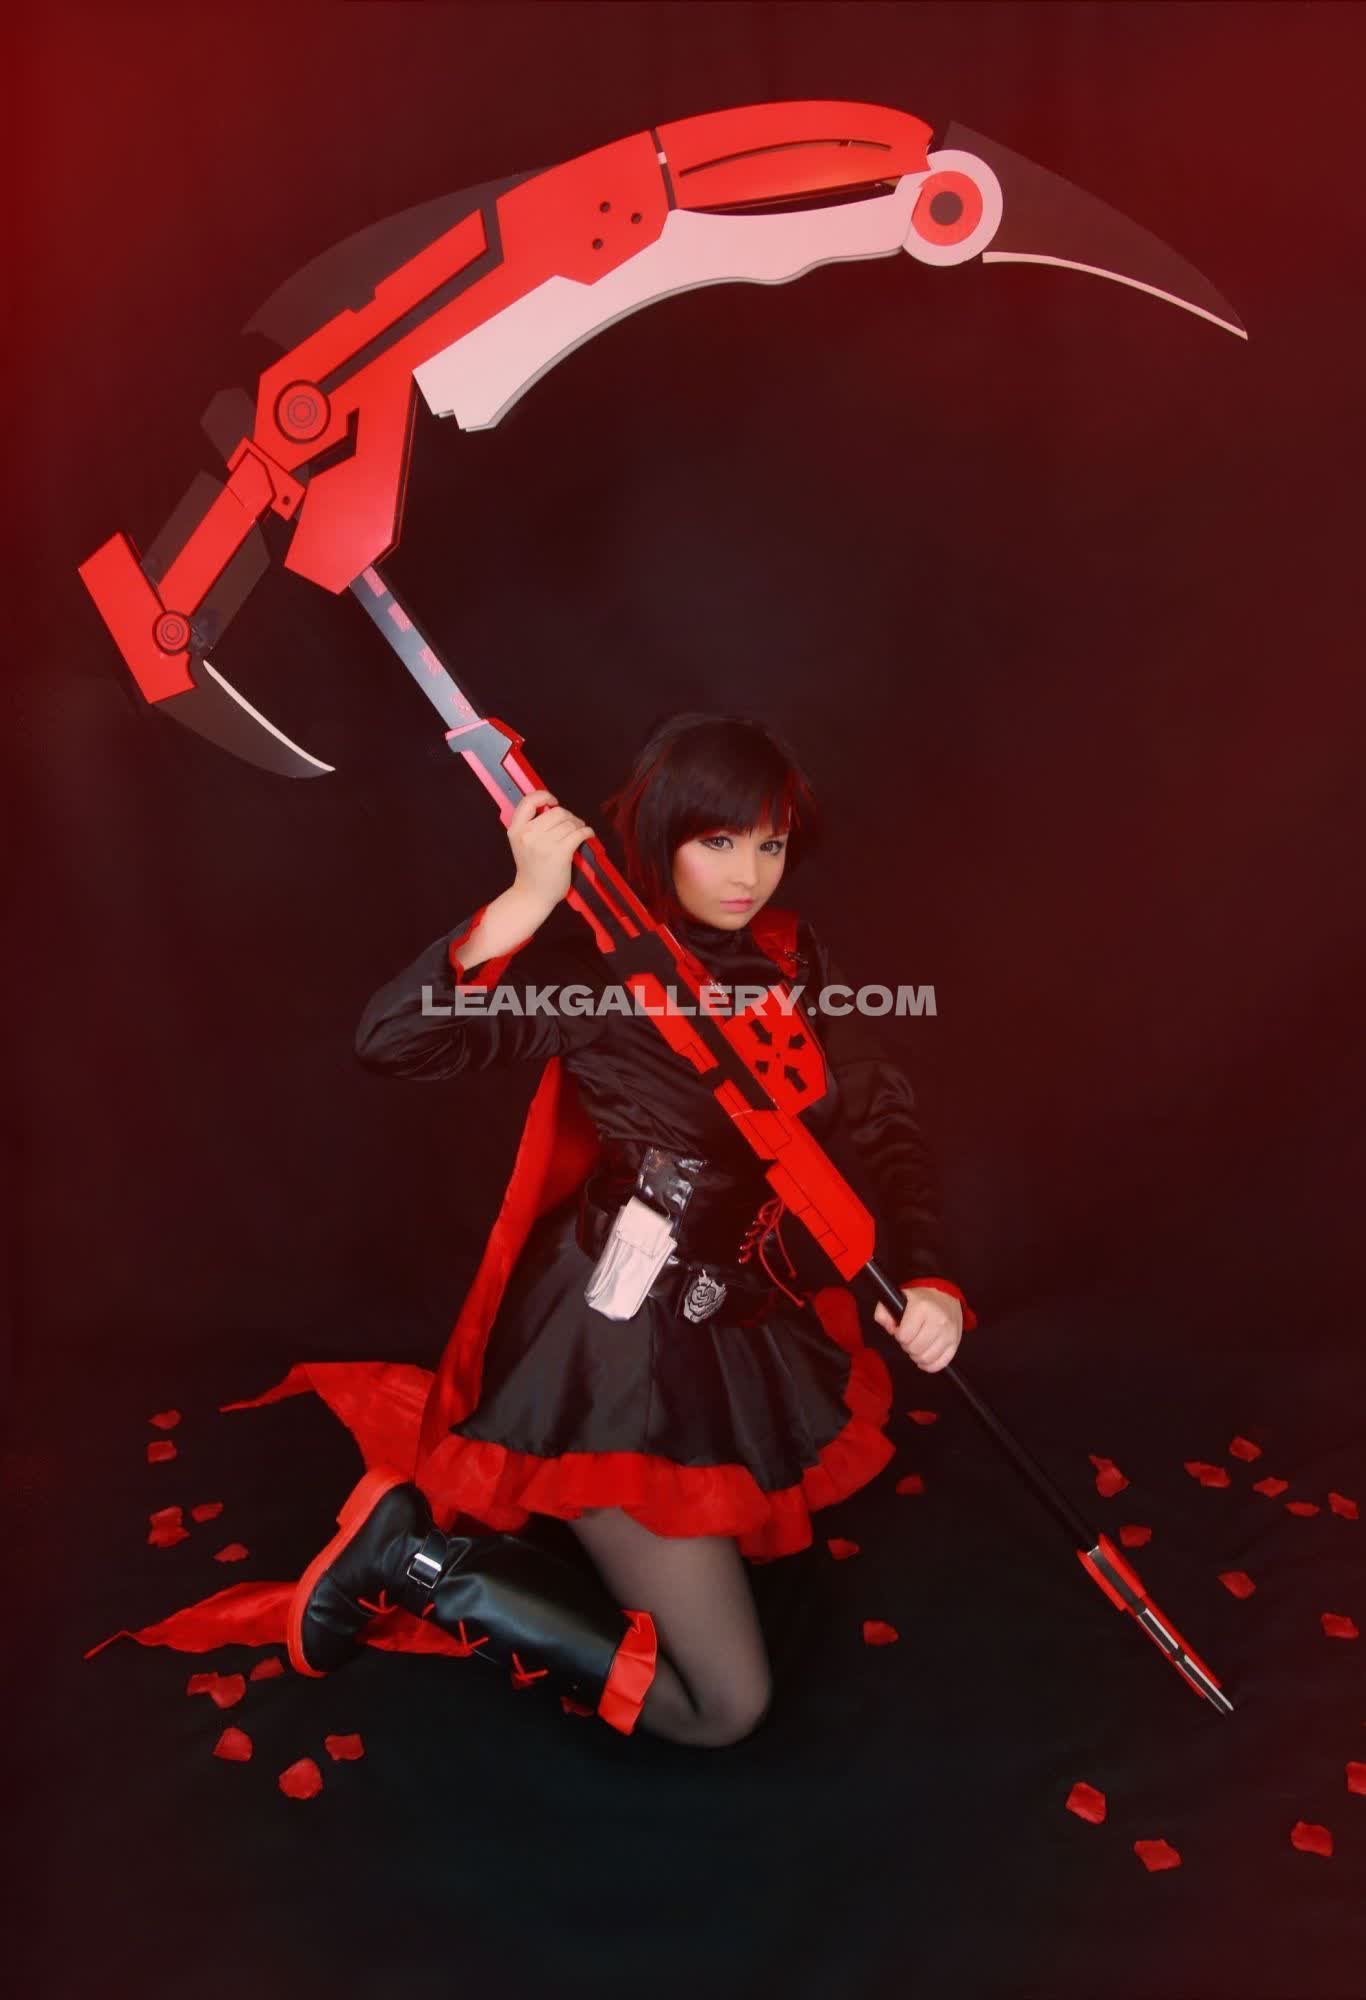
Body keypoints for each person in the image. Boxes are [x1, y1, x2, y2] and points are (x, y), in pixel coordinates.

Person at [288, 713, 974, 1748]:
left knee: (749, 1586)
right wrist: (524, 901)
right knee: (723, 1707)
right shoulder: (603, 972)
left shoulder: (792, 956)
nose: (749, 873)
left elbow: (881, 1117)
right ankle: (411, 1561)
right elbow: (393, 1039)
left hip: (736, 1326)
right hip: (612, 1350)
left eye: (770, 843)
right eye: (718, 840)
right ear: (662, 836)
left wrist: (928, 1278)